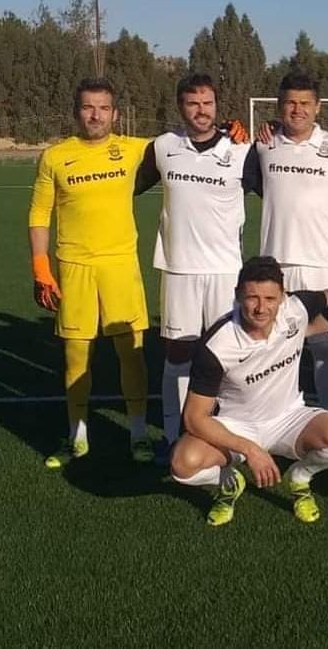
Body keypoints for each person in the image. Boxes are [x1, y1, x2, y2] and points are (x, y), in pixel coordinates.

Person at [169, 256, 328, 526]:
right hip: (236, 425)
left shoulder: (297, 307)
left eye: (270, 299)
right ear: (237, 295)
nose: (260, 308)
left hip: (288, 417)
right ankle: (230, 483)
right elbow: (194, 418)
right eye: (252, 298)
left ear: (283, 296)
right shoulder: (217, 345)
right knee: (183, 465)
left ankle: (300, 479)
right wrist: (251, 450)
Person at [28, 78, 154, 467]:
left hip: (120, 266)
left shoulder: (134, 149)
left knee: (130, 354)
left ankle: (138, 434)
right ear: (76, 111)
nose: (95, 115)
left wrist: (231, 133)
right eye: (87, 107)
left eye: (102, 108)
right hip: (75, 266)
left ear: (115, 113)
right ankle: (76, 437)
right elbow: (38, 214)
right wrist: (40, 267)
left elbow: (188, 141)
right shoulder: (55, 156)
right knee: (75, 356)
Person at [135, 73, 254, 461]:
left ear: (217, 106)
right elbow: (126, 185)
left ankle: (229, 433)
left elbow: (282, 185)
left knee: (226, 356)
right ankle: (175, 435)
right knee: (178, 356)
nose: (201, 111)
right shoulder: (164, 147)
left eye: (207, 103)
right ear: (180, 107)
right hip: (179, 270)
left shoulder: (242, 151)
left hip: (225, 272)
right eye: (192, 103)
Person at [245, 72, 328, 413]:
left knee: (323, 348)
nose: (297, 109)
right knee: (275, 348)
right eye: (290, 102)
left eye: (305, 103)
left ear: (317, 107)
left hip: (322, 265)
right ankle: (274, 415)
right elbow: (256, 187)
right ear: (279, 106)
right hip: (277, 266)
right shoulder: (264, 144)